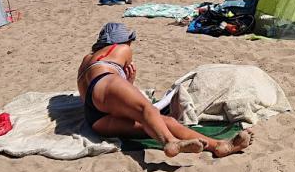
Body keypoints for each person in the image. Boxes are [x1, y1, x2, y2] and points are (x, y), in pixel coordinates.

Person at [78, 23, 252, 158]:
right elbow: (113, 91)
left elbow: (94, 97)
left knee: (164, 122)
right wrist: (129, 81)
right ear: (121, 41)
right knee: (148, 110)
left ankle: (219, 146)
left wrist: (124, 87)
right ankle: (171, 142)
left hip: (95, 119)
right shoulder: (122, 49)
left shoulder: (86, 60)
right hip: (107, 81)